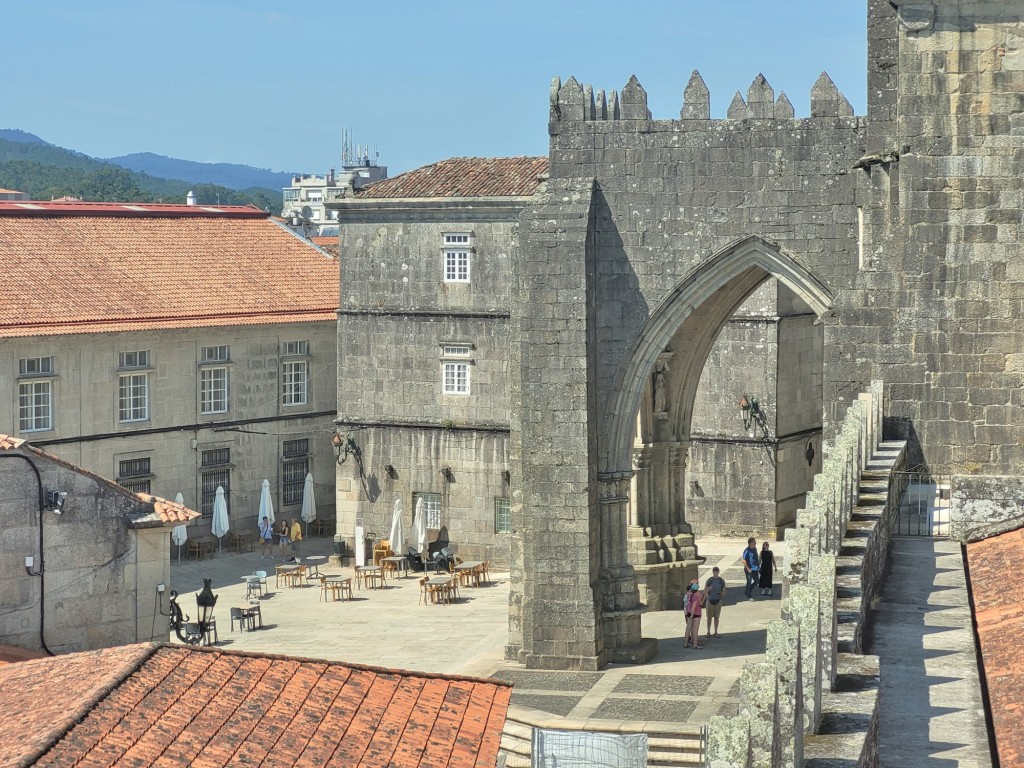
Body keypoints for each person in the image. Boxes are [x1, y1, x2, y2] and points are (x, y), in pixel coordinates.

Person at [704, 566, 726, 638]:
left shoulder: (721, 580)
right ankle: (708, 632)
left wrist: (722, 592)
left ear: (718, 572)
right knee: (709, 617)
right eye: (714, 571)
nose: (715, 572)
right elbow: (705, 591)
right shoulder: (709, 580)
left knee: (717, 617)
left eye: (716, 571)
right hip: (710, 601)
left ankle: (716, 632)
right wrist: (708, 590)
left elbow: (724, 591)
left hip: (718, 600)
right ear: (712, 572)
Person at [684, 579, 704, 649]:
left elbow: (687, 604)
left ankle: (685, 644)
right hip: (695, 614)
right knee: (695, 630)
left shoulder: (688, 594)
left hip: (688, 613)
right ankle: (695, 645)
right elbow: (694, 606)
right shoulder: (697, 596)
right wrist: (692, 614)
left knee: (688, 628)